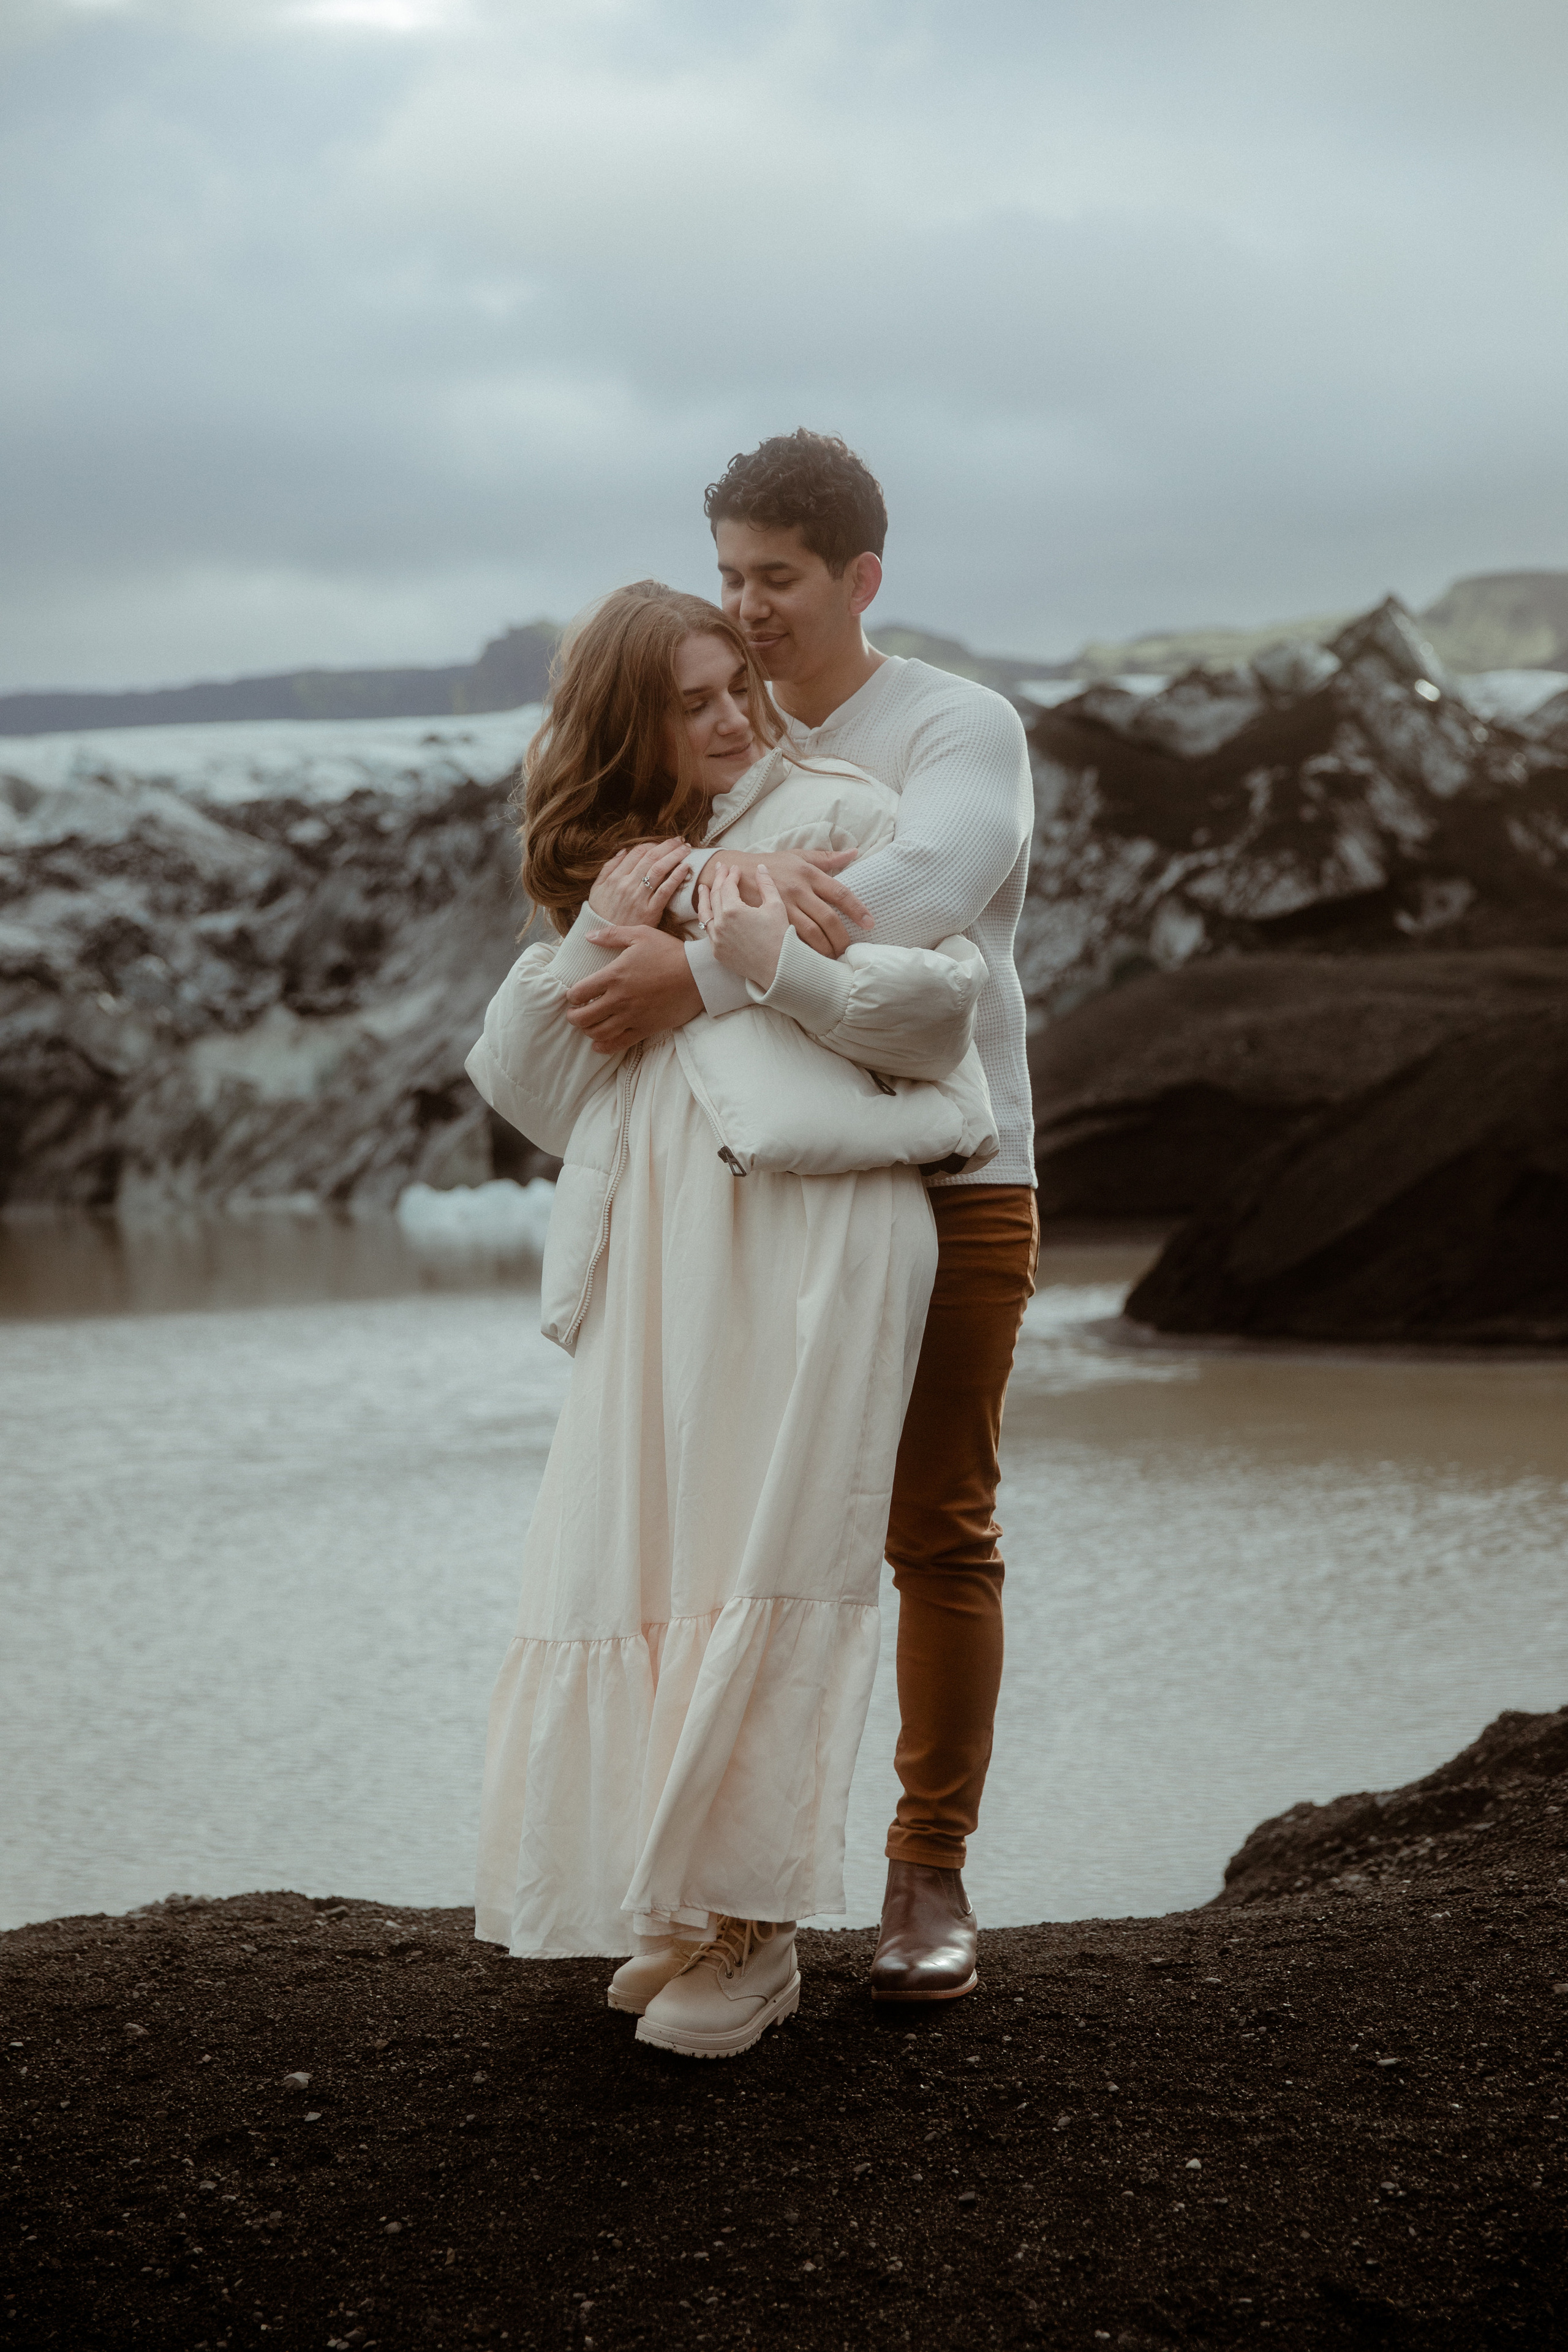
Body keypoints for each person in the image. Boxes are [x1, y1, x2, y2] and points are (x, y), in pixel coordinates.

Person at [466, 581, 997, 2058]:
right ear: (625, 720)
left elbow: (927, 1014)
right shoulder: (617, 858)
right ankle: (687, 1909)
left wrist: (729, 944)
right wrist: (605, 930)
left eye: (730, 688)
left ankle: (757, 1937)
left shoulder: (830, 808)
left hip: (811, 1226)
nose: (726, 712)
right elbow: (528, 1091)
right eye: (688, 698)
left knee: (774, 1546)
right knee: (657, 1549)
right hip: (660, 1243)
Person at [560, 434, 1038, 2003]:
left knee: (932, 1526)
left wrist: (695, 947)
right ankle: (732, 1887)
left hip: (950, 1180)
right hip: (759, 1205)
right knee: (745, 1538)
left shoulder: (955, 724)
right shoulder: (719, 737)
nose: (749, 609)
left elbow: (906, 898)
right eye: (728, 577)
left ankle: (923, 1875)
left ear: (858, 580)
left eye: (777, 578)